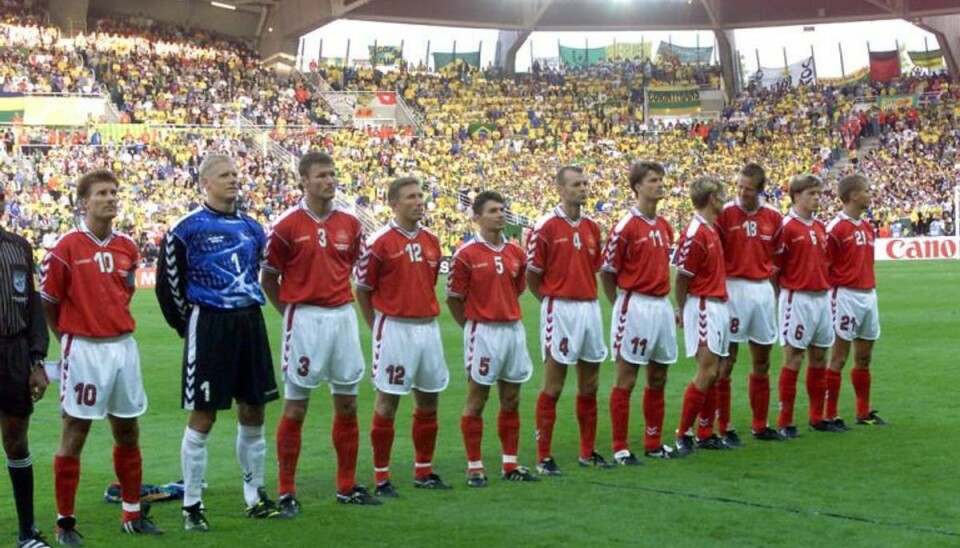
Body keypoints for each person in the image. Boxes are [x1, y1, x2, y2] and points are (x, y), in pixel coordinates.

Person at [156, 154, 280, 532]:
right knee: (204, 415)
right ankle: (192, 505)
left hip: (249, 321)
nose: (233, 180)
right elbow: (168, 287)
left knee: (254, 408)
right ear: (205, 183)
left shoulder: (253, 227)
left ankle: (255, 496)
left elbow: (255, 268)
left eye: (235, 174)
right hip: (209, 324)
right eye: (225, 175)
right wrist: (189, 326)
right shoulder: (185, 229)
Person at [40, 169, 162, 544]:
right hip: (84, 349)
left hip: (123, 347)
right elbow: (49, 302)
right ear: (84, 202)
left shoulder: (128, 246)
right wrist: (69, 340)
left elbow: (125, 293)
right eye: (101, 193)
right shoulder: (66, 248)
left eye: (114, 192)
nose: (110, 198)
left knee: (128, 430)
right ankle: (65, 523)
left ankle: (131, 513)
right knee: (75, 432)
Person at [261, 152, 380, 511]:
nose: (329, 181)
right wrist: (292, 314)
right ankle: (286, 491)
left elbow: (355, 270)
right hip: (305, 318)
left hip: (342, 316)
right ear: (304, 181)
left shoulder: (350, 224)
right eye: (322, 176)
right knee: (296, 407)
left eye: (332, 174)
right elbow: (269, 279)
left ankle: (347, 485)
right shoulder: (286, 225)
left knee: (347, 403)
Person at [355, 176, 451, 497]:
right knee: (388, 402)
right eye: (411, 197)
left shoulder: (432, 240)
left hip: (429, 328)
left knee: (429, 399)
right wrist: (378, 328)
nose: (419, 201)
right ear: (394, 204)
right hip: (394, 328)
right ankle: (381, 477)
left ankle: (423, 471)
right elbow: (364, 290)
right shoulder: (380, 241)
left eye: (421, 196)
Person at [446, 191, 540, 487]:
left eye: (502, 209)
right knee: (478, 399)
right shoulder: (466, 254)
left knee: (511, 398)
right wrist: (472, 326)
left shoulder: (516, 252)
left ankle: (510, 464)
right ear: (477, 217)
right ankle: (474, 467)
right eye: (492, 210)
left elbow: (518, 287)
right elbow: (454, 299)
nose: (500, 214)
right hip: (483, 332)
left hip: (512, 330)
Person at [527, 165, 611, 475]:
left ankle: (587, 452)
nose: (583, 189)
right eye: (576, 184)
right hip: (559, 309)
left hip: (589, 308)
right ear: (560, 189)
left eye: (585, 183)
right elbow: (533, 276)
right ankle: (543, 456)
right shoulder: (545, 226)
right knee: (554, 383)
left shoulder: (592, 227)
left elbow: (594, 269)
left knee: (590, 383)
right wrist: (552, 300)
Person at [601, 162, 679, 463]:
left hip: (660, 305)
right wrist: (621, 304)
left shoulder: (664, 225)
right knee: (627, 378)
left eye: (661, 179)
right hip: (634, 305)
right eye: (652, 180)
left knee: (658, 376)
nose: (659, 185)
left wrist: (669, 302)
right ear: (637, 187)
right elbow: (608, 272)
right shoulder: (625, 227)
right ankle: (620, 447)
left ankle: (653, 442)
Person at [711, 163, 785, 443]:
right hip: (732, 289)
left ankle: (760, 424)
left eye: (749, 189)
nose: (742, 192)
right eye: (739, 186)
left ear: (761, 190)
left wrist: (774, 294)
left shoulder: (774, 217)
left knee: (762, 361)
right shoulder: (725, 214)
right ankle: (724, 427)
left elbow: (777, 258)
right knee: (726, 360)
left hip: (762, 291)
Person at [0, 185, 52, 548]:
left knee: (16, 442)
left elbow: (33, 306)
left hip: (14, 354)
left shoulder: (19, 247)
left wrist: (37, 361)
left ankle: (27, 532)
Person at [774, 174, 842, 437]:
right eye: (811, 194)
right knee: (793, 357)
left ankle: (817, 417)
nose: (816, 198)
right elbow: (776, 268)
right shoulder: (786, 227)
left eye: (818, 193)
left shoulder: (819, 227)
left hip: (822, 298)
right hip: (797, 298)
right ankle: (786, 420)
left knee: (819, 357)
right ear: (796, 196)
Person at [671, 176, 731, 457]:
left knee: (715, 371)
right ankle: (683, 432)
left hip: (716, 303)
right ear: (713, 199)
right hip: (703, 304)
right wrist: (682, 310)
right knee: (707, 371)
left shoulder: (710, 229)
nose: (724, 199)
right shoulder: (696, 233)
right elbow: (682, 278)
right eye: (721, 195)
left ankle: (706, 432)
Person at [825, 175, 885, 426]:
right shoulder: (835, 228)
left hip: (868, 294)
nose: (870, 194)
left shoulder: (866, 227)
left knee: (864, 356)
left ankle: (863, 412)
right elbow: (824, 265)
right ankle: (830, 414)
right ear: (853, 196)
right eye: (866, 190)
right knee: (839, 356)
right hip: (845, 295)